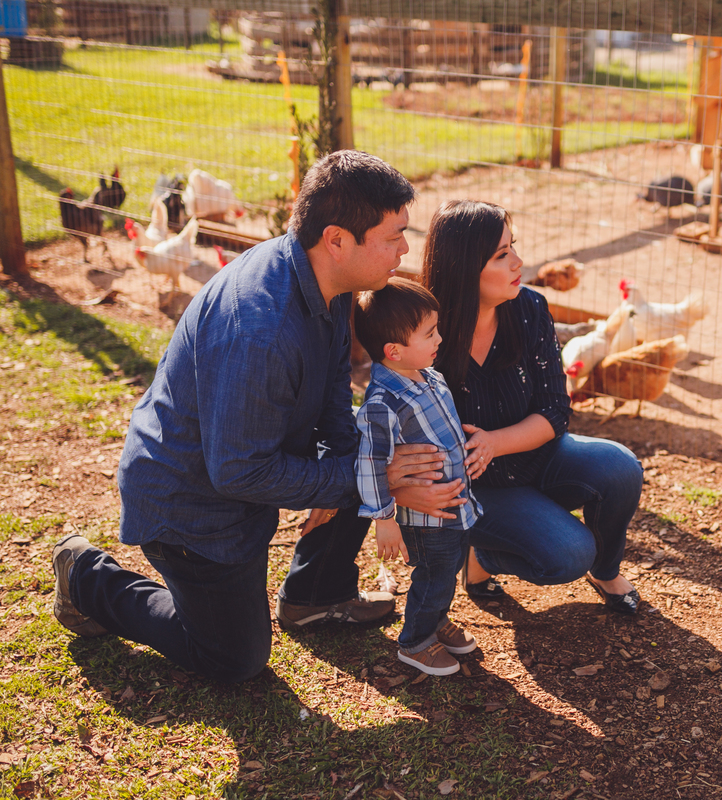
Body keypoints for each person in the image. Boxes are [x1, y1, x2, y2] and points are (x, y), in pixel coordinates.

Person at [51, 151, 459, 683]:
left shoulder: (327, 280)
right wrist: (366, 480)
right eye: (393, 236)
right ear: (337, 239)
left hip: (240, 474)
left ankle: (317, 594)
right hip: (194, 504)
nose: (405, 249)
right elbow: (239, 472)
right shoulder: (259, 329)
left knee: (369, 458)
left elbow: (336, 392)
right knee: (233, 659)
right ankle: (86, 576)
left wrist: (352, 475)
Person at [402, 198, 642, 613]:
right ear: (463, 266)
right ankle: (483, 554)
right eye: (501, 254)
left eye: (514, 247)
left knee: (620, 467)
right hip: (476, 487)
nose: (519, 262)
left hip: (538, 456)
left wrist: (495, 441)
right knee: (568, 554)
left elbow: (554, 409)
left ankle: (605, 571)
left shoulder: (529, 309)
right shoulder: (423, 331)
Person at [353, 278, 482, 676]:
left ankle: (435, 618)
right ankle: (415, 642)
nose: (439, 338)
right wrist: (385, 520)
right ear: (394, 350)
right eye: (429, 333)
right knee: (435, 573)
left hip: (451, 508)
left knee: (446, 569)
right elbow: (371, 464)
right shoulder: (382, 404)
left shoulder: (429, 376)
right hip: (424, 519)